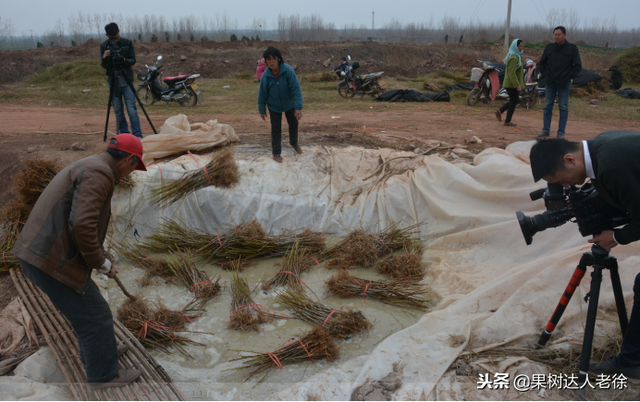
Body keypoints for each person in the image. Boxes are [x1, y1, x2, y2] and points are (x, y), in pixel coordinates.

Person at [12, 133, 147, 389]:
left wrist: (103, 256)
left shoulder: (93, 164)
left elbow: (82, 224)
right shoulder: (100, 174)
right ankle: (103, 375)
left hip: (41, 253)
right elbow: (82, 225)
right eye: (134, 167)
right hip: (47, 259)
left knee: (88, 310)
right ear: (129, 159)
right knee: (95, 316)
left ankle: (101, 353)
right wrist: (102, 263)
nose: (131, 173)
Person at [529, 131, 640, 380]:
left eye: (562, 181)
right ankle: (630, 360)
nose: (565, 187)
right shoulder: (601, 146)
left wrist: (617, 237)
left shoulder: (611, 166)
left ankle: (630, 362)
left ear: (570, 160)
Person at [257, 46, 303, 163]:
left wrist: (298, 107)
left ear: (279, 59)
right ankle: (276, 152)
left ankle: (294, 142)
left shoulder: (288, 71)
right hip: (274, 106)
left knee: (293, 123)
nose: (271, 62)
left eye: (273, 59)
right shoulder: (266, 76)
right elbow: (262, 93)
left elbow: (296, 89)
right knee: (276, 128)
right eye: (268, 59)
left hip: (289, 103)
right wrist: (262, 109)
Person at [537, 26, 582, 139]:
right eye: (555, 34)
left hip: (563, 83)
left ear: (565, 35)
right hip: (550, 82)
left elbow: (577, 66)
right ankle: (545, 130)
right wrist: (546, 74)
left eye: (559, 35)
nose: (556, 37)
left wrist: (568, 76)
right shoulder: (549, 48)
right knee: (548, 106)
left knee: (563, 107)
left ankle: (561, 132)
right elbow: (542, 63)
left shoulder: (572, 49)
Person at [100, 23, 142, 139]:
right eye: (112, 37)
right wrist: (104, 57)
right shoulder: (104, 45)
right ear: (107, 35)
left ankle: (137, 135)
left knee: (131, 109)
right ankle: (124, 135)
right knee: (118, 110)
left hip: (126, 80)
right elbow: (104, 66)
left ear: (119, 31)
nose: (115, 39)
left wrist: (124, 60)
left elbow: (133, 60)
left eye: (117, 36)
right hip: (113, 81)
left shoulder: (127, 43)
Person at [495, 39, 526, 127]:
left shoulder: (517, 56)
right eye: (519, 46)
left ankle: (500, 111)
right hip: (511, 84)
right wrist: (517, 85)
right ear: (515, 47)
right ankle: (507, 121)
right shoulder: (513, 58)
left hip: (512, 83)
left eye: (521, 46)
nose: (521, 48)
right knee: (514, 101)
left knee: (515, 100)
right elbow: (511, 73)